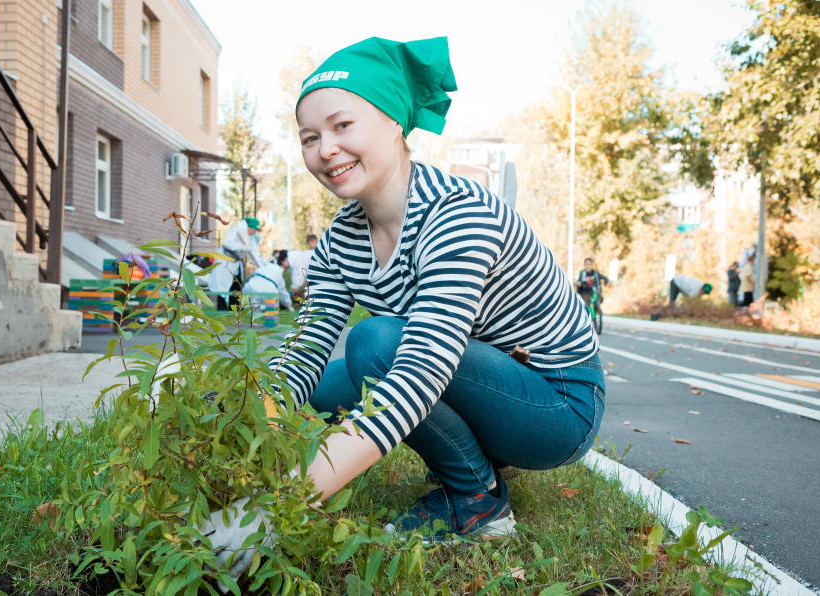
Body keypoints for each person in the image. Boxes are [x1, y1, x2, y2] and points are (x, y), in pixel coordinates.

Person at [202, 35, 605, 580]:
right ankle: (471, 462)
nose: (325, 149)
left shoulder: (456, 214)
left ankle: (478, 500)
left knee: (374, 345)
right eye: (310, 137)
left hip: (555, 404)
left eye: (343, 126)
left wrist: (278, 507)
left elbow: (422, 370)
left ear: (394, 123)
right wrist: (242, 420)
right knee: (319, 392)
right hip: (484, 372)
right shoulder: (340, 240)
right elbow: (306, 349)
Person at [207, 217, 265, 310]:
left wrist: (261, 267)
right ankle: (222, 309)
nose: (255, 232)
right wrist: (242, 247)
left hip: (236, 262)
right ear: (250, 228)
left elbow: (254, 253)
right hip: (225, 261)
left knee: (237, 285)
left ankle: (235, 308)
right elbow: (227, 244)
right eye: (254, 230)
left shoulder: (251, 237)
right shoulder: (237, 230)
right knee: (222, 286)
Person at [287, 233, 319, 298]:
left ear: (314, 241)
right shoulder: (314, 252)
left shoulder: (313, 253)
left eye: (309, 244)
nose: (309, 246)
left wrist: (293, 290)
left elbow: (299, 277)